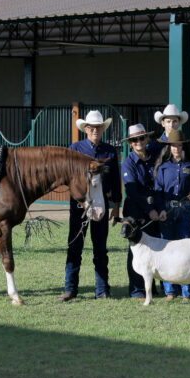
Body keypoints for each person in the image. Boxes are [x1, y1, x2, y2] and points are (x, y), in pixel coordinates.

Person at [62, 110, 121, 301]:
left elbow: (114, 179)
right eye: (92, 127)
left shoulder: (110, 151)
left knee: (100, 248)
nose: (95, 130)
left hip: (101, 205)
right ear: (86, 129)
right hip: (79, 207)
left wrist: (117, 205)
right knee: (75, 246)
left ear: (103, 128)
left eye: (99, 127)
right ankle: (70, 289)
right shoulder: (75, 149)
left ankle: (102, 290)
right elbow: (67, 177)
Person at [153, 129, 190, 301]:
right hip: (167, 210)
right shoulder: (163, 168)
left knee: (185, 250)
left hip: (185, 210)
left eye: (179, 145)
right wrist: (160, 210)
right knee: (167, 250)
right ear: (169, 147)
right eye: (173, 145)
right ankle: (170, 291)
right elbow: (158, 191)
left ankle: (187, 292)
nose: (176, 148)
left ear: (183, 147)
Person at [120, 124, 160, 300]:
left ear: (147, 139)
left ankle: (153, 288)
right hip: (136, 212)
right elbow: (134, 192)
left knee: (154, 249)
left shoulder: (155, 158)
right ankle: (137, 290)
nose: (139, 142)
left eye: (141, 138)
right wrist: (149, 209)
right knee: (136, 251)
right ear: (129, 143)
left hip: (154, 210)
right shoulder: (128, 163)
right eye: (134, 139)